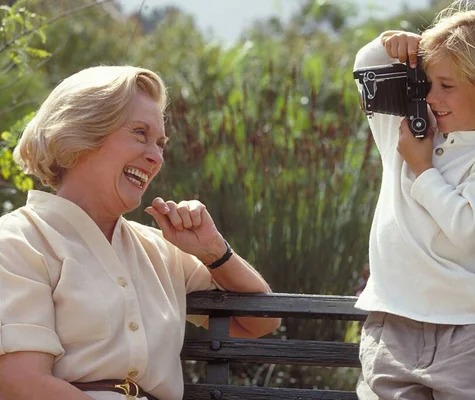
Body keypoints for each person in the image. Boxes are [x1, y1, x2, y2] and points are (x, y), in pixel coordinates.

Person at [0, 65, 281, 400]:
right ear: (81, 134)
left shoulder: (160, 250)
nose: (156, 156)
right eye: (139, 133)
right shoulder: (18, 241)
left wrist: (215, 252)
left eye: (161, 143)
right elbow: (21, 384)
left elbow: (261, 323)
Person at [353, 1, 475, 399]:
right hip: (392, 325)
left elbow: (466, 230)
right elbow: (367, 63)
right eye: (426, 82)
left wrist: (422, 170)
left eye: (446, 85)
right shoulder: (405, 130)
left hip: (467, 331)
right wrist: (403, 47)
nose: (430, 97)